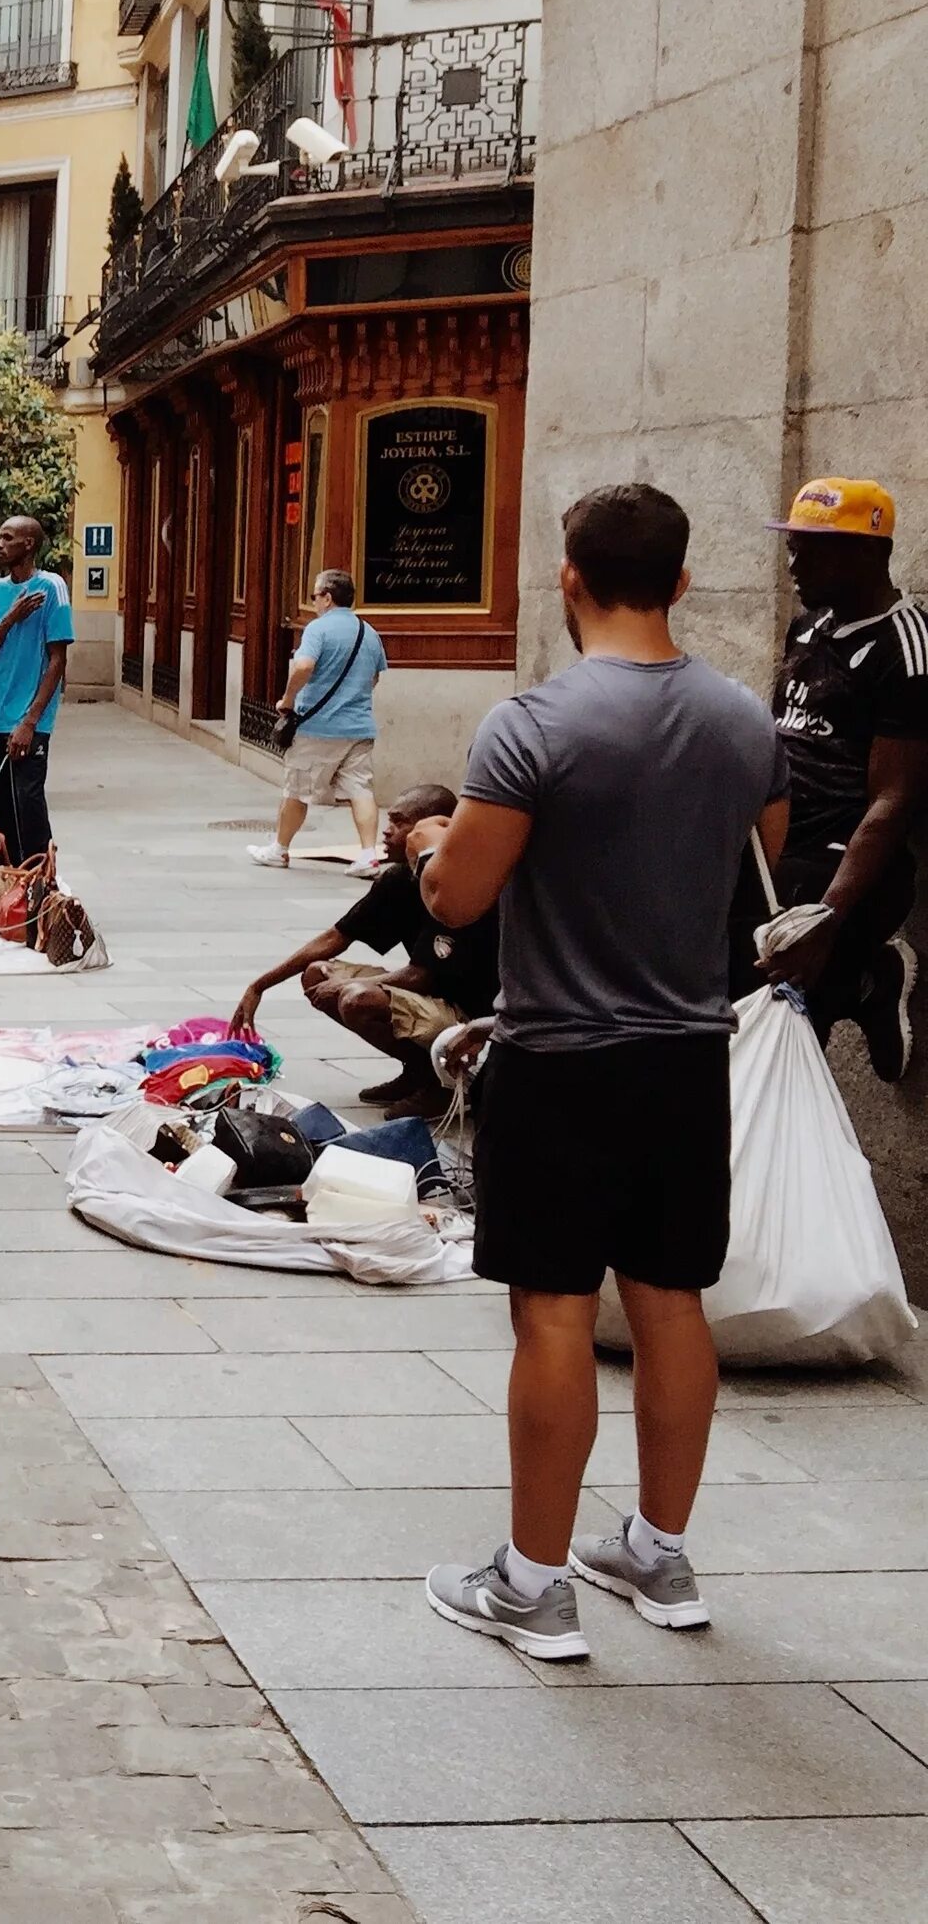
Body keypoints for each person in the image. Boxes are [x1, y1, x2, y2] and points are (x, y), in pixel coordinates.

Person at [412, 483, 785, 1660]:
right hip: (687, 1058)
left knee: (557, 1311)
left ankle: (530, 1581)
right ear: (681, 582)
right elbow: (756, 859)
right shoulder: (744, 724)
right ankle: (660, 1555)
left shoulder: (536, 726)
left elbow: (458, 898)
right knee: (673, 1298)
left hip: (563, 1056)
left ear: (567, 579)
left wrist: (431, 849)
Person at [742, 478, 926, 1078]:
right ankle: (865, 984)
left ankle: (859, 981)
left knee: (785, 1021)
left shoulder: (907, 645)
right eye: (793, 546)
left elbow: (895, 801)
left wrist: (825, 918)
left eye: (812, 549)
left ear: (871, 552)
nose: (793, 564)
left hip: (842, 863)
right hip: (780, 845)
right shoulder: (807, 627)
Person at [230, 784, 497, 1112]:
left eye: (399, 823)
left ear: (430, 828)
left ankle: (440, 1085)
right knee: (318, 974)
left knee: (358, 997)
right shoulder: (399, 879)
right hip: (432, 999)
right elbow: (334, 938)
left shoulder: (458, 884)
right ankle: (417, 1070)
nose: (386, 830)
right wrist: (259, 985)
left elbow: (419, 978)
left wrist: (349, 986)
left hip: (469, 1015)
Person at [252, 570, 387, 869]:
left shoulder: (317, 629)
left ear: (327, 597)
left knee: (296, 790)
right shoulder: (369, 632)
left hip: (317, 728)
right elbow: (373, 677)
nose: (314, 602)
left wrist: (287, 700)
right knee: (361, 789)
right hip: (359, 727)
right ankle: (367, 854)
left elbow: (303, 667)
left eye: (315, 595)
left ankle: (279, 849)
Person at [0, 517, 71, 867]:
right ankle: (9, 884)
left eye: (6, 538)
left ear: (28, 544)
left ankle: (42, 886)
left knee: (29, 807)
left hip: (28, 722)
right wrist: (9, 618)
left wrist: (30, 720)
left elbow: (57, 661)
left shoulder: (51, 587)